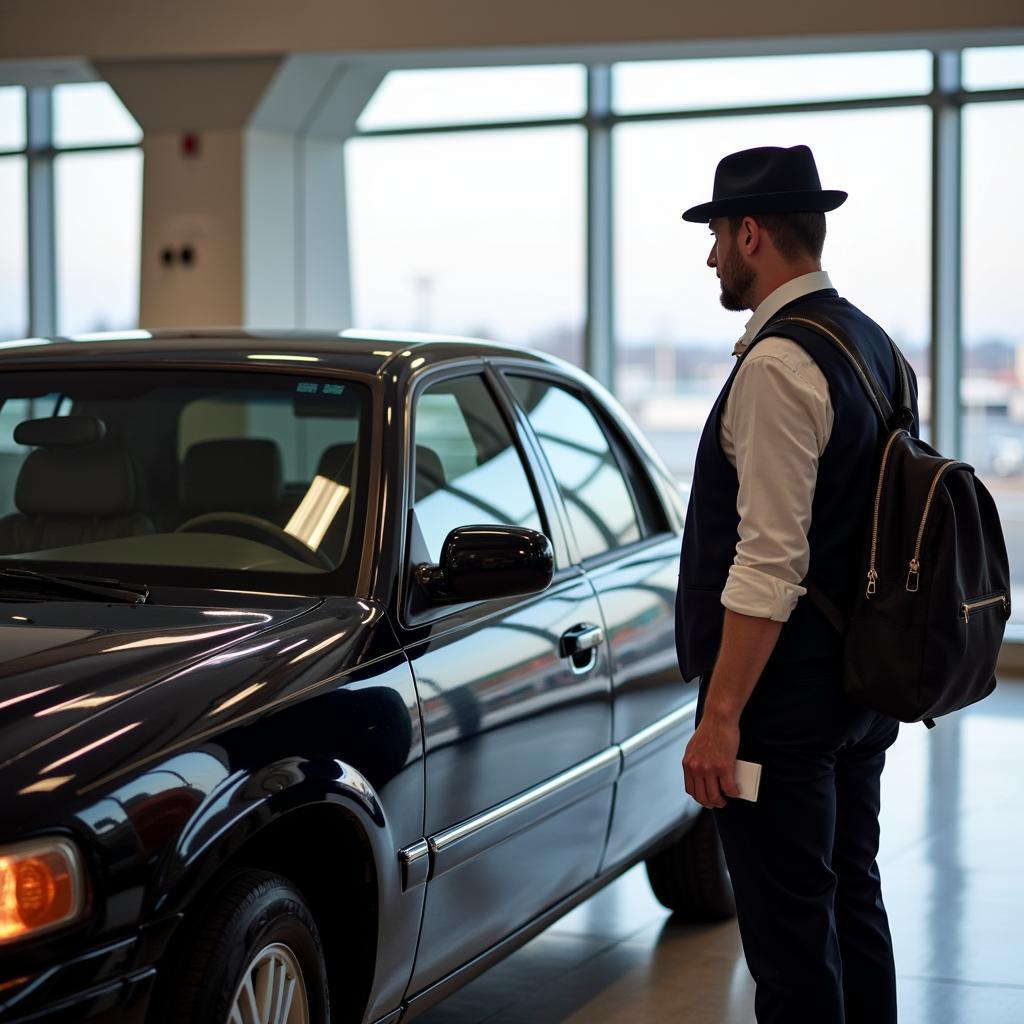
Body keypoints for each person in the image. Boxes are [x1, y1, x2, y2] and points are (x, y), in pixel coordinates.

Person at [674, 144, 918, 1024]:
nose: (710, 258)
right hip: (859, 682)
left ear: (751, 234)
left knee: (789, 936)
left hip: (783, 708)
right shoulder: (874, 344)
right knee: (852, 897)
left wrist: (722, 716)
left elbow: (768, 562)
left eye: (715, 237)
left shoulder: (778, 366)